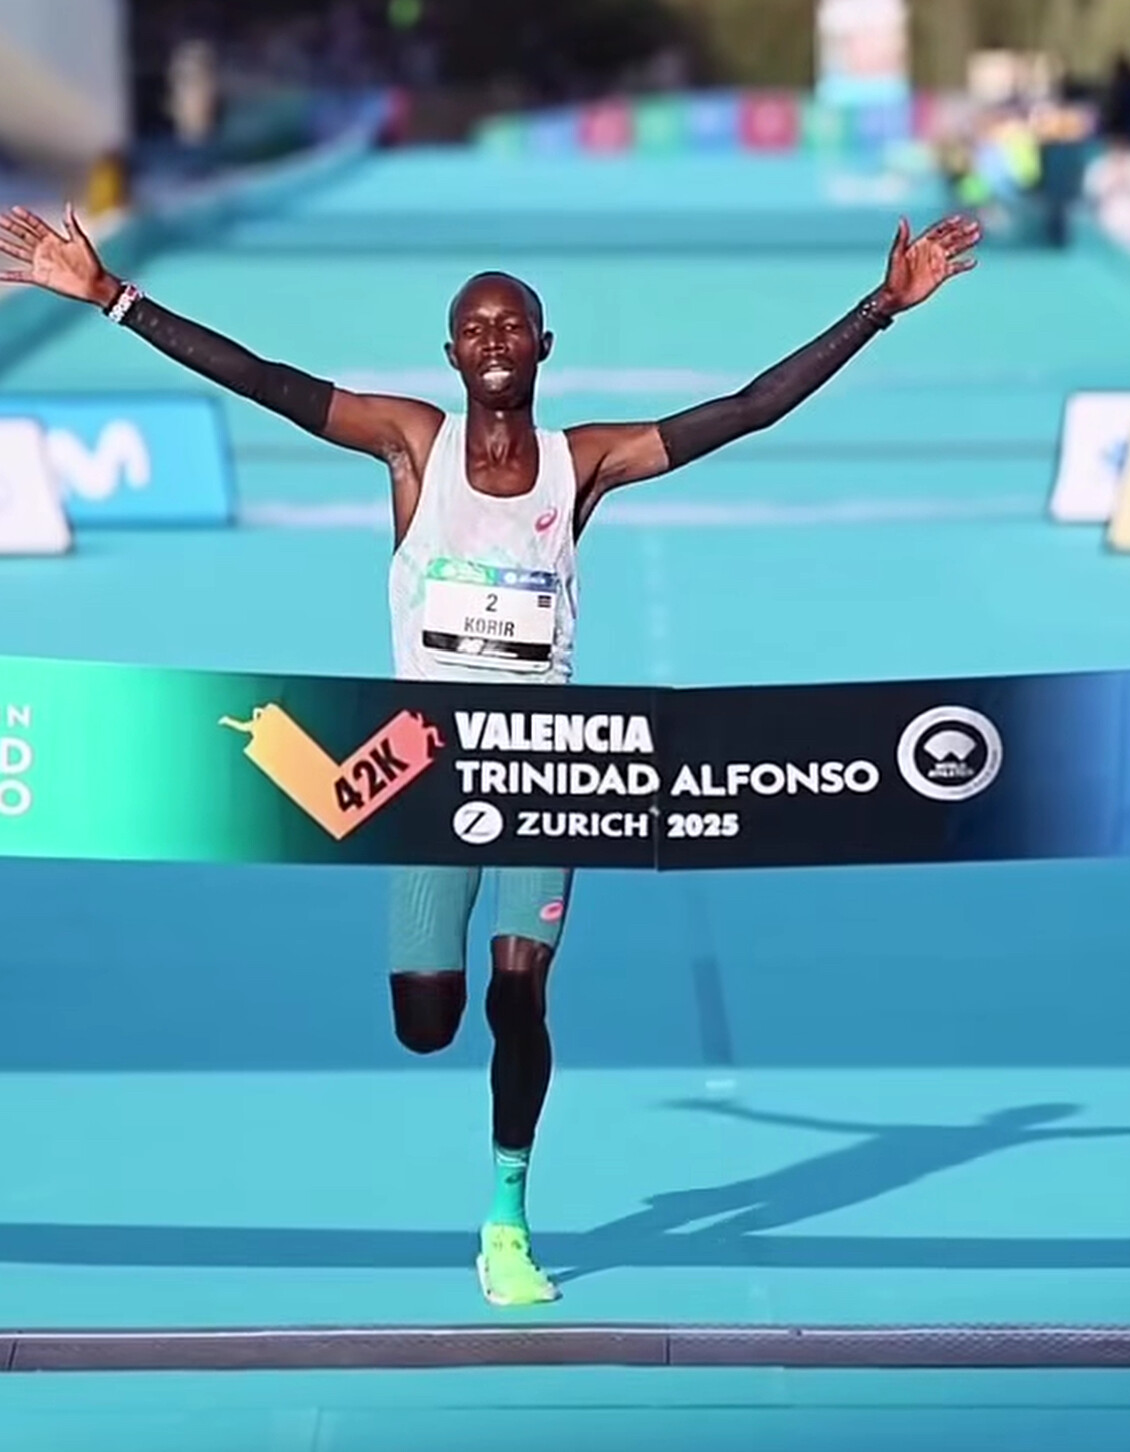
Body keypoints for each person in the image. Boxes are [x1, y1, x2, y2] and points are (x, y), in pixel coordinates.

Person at [0, 199, 982, 1305]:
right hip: (422, 766)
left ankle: (507, 1217)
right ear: (452, 354)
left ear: (544, 346)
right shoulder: (411, 445)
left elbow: (746, 410)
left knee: (521, 994)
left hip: (543, 765)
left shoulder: (583, 464)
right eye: (475, 328)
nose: (495, 340)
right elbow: (268, 381)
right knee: (427, 1023)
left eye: (513, 325)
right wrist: (114, 298)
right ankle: (454, 1042)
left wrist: (880, 308)